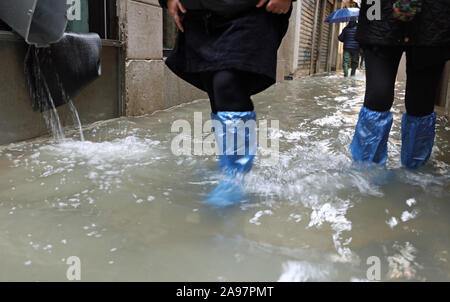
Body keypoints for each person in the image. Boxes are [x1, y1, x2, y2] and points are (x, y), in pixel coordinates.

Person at [159, 0, 294, 206]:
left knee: (227, 82)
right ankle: (228, 164)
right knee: (215, 89)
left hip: (252, 10)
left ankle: (236, 176)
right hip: (199, 14)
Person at [351, 0, 450, 169]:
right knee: (378, 98)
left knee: (420, 104)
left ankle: (414, 173)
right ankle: (364, 171)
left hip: (432, 16)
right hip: (381, 13)